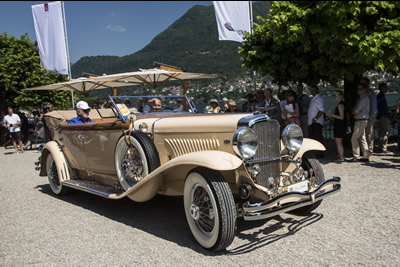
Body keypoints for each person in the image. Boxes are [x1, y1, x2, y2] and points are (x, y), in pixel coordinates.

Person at [348, 83, 370, 162]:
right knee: (362, 138)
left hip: (361, 120)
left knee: (354, 138)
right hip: (361, 120)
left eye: (360, 89)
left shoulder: (364, 99)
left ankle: (356, 156)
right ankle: (365, 155)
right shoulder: (361, 98)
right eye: (358, 89)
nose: (358, 90)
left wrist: (354, 111)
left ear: (364, 89)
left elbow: (356, 111)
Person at [328, 90, 346, 162]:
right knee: (338, 141)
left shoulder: (340, 105)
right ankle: (340, 155)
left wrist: (332, 115)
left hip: (339, 125)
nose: (335, 97)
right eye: (335, 95)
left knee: (339, 141)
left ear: (341, 96)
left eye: (336, 95)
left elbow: (341, 117)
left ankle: (341, 156)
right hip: (339, 125)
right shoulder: (340, 104)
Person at [361, 77, 377, 156]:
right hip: (363, 117)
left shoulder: (371, 93)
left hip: (369, 117)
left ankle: (370, 150)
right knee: (363, 134)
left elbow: (373, 106)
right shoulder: (363, 93)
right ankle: (364, 149)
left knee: (369, 133)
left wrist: (371, 116)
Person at [308, 85, 325, 158]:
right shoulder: (314, 99)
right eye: (311, 91)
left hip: (316, 122)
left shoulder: (318, 99)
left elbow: (321, 110)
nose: (312, 92)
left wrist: (316, 118)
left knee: (318, 138)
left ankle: (320, 153)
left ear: (317, 91)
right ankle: (316, 152)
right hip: (312, 122)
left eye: (314, 90)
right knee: (314, 137)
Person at [376, 83, 390, 153]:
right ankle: (383, 147)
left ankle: (380, 146)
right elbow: (381, 107)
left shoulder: (380, 96)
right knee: (385, 131)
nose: (387, 89)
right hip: (384, 116)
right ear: (382, 88)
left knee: (381, 132)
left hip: (382, 115)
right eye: (386, 87)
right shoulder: (381, 96)